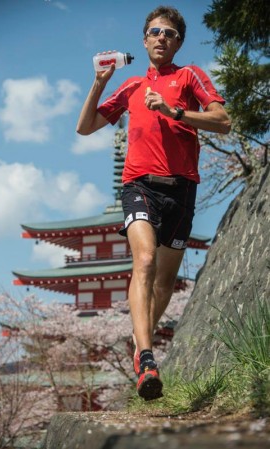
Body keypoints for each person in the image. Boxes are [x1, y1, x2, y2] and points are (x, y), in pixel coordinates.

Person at [76, 5, 231, 401]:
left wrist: (175, 111)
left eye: (171, 34)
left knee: (164, 282)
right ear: (144, 39)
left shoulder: (189, 76)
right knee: (143, 261)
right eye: (155, 32)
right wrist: (98, 82)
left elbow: (224, 121)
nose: (162, 38)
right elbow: (86, 126)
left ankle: (138, 339)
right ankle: (146, 357)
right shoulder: (130, 87)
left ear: (178, 42)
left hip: (181, 189)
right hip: (139, 186)